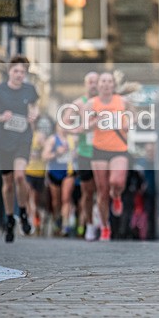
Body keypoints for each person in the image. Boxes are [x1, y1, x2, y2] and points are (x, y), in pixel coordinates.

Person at [0, 55, 40, 243]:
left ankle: (22, 212)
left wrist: (33, 115)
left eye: (23, 72)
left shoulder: (30, 90)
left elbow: (35, 108)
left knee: (20, 176)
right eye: (16, 71)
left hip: (23, 138)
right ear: (9, 71)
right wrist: (0, 117)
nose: (19, 75)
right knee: (7, 183)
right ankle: (8, 219)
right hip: (4, 141)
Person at [87, 72, 131, 241]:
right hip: (99, 149)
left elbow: (134, 116)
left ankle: (117, 195)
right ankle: (105, 227)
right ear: (98, 85)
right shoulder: (92, 104)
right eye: (103, 81)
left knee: (117, 181)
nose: (106, 84)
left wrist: (128, 122)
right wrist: (94, 123)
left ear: (113, 85)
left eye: (109, 81)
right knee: (102, 191)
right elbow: (83, 126)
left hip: (119, 148)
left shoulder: (123, 101)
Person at [62, 71, 99, 240]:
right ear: (86, 84)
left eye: (96, 81)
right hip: (85, 152)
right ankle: (90, 224)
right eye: (90, 81)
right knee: (88, 192)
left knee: (105, 189)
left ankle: (105, 223)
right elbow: (64, 123)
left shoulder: (106, 101)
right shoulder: (79, 103)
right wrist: (76, 130)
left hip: (103, 151)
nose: (93, 84)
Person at [43, 121, 76, 237]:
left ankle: (65, 226)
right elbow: (44, 156)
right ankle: (57, 219)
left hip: (68, 171)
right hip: (54, 172)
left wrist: (75, 154)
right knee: (56, 201)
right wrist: (57, 152)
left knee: (66, 198)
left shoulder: (72, 139)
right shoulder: (52, 140)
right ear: (57, 126)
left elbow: (77, 153)